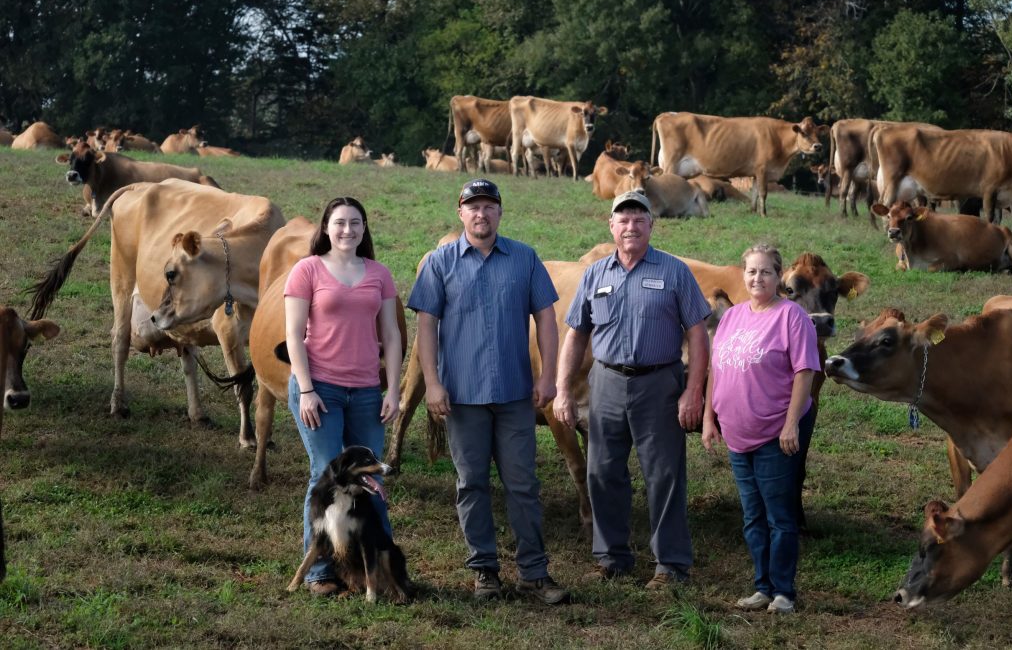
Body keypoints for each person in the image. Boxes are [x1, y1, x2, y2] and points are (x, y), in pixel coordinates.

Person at [407, 178, 568, 605]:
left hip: (515, 394)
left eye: (488, 206)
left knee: (523, 484)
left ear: (499, 212)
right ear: (460, 213)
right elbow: (426, 326)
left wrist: (548, 375)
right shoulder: (440, 263)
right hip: (461, 397)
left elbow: (546, 320)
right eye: (472, 207)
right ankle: (484, 572)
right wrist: (434, 382)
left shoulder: (524, 258)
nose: (481, 214)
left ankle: (533, 574)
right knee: (471, 484)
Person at [553, 191, 710, 589]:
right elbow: (575, 335)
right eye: (623, 219)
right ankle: (612, 558)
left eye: (639, 218)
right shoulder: (595, 274)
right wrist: (563, 389)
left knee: (664, 475)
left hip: (659, 382)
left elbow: (697, 334)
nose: (631, 226)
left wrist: (693, 391)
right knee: (603, 471)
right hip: (605, 382)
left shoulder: (674, 271)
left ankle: (670, 565)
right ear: (611, 226)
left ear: (651, 226)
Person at [284, 196, 403, 596]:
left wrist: (395, 389)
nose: (347, 230)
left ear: (365, 229)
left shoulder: (379, 274)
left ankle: (383, 574)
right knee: (324, 473)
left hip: (368, 391)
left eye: (355, 223)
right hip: (320, 388)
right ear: (326, 228)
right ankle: (321, 573)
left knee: (371, 482)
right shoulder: (307, 270)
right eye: (339, 223)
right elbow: (293, 336)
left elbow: (391, 335)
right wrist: (306, 389)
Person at [701, 244, 819, 614]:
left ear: (778, 277)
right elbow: (715, 371)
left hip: (774, 433)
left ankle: (783, 591)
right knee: (752, 516)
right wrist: (709, 418)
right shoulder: (733, 317)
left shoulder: (792, 317)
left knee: (779, 517)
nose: (757, 278)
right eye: (751, 271)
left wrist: (790, 424)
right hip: (737, 434)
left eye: (765, 272)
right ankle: (762, 587)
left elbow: (805, 372)